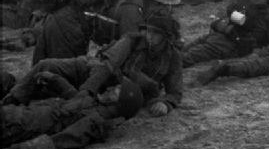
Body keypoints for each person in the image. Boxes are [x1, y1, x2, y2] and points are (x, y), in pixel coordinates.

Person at [4, 14, 183, 117]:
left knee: (48, 92)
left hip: (115, 92)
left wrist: (166, 104)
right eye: (149, 31)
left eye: (156, 33)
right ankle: (10, 100)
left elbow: (175, 91)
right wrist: (86, 91)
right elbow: (107, 65)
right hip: (91, 71)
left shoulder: (172, 57)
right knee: (45, 66)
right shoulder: (132, 40)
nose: (150, 36)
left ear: (166, 37)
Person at [1, 76, 144, 149]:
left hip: (15, 126)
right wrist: (55, 79)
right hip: (16, 115)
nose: (109, 88)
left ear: (118, 104)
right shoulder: (94, 104)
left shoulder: (95, 121)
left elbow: (61, 140)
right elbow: (74, 100)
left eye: (116, 91)